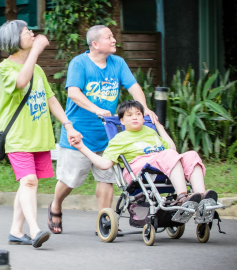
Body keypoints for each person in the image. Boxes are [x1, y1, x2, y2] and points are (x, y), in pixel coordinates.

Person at [49, 25, 158, 234]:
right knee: (70, 180)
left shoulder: (118, 63)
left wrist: (143, 111)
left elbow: (134, 87)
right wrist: (98, 109)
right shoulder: (79, 63)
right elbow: (73, 92)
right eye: (109, 37)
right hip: (79, 133)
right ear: (95, 44)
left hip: (108, 134)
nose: (114, 39)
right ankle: (56, 205)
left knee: (106, 176)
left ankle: (104, 221)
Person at [0, 20, 82, 248]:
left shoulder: (38, 69)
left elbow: (51, 99)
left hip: (38, 137)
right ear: (15, 39)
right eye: (27, 32)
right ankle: (34, 230)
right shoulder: (5, 67)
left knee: (28, 183)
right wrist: (35, 51)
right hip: (18, 137)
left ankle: (16, 231)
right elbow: (21, 81)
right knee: (30, 181)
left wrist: (68, 125)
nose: (32, 33)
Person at [71, 100, 217, 205]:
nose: (135, 117)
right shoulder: (119, 139)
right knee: (169, 155)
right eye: (129, 115)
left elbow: (172, 150)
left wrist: (158, 126)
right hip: (139, 171)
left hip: (163, 165)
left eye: (138, 114)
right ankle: (182, 197)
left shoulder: (150, 132)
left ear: (143, 117)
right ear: (121, 121)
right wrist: (81, 147)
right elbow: (104, 164)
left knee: (191, 154)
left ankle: (203, 199)